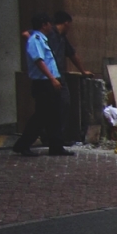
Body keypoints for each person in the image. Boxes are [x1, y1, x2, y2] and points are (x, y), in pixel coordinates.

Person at [14, 14, 71, 156]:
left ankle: (56, 146)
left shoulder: (42, 39)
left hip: (49, 82)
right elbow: (39, 61)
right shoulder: (36, 40)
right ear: (44, 25)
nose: (51, 27)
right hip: (43, 83)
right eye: (49, 24)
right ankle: (23, 144)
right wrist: (52, 78)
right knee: (41, 116)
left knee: (54, 115)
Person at [51, 11, 90, 144]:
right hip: (52, 76)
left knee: (61, 105)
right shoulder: (49, 34)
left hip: (57, 75)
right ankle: (56, 138)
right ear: (66, 23)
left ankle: (56, 137)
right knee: (61, 104)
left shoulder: (62, 38)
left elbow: (72, 55)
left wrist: (83, 71)